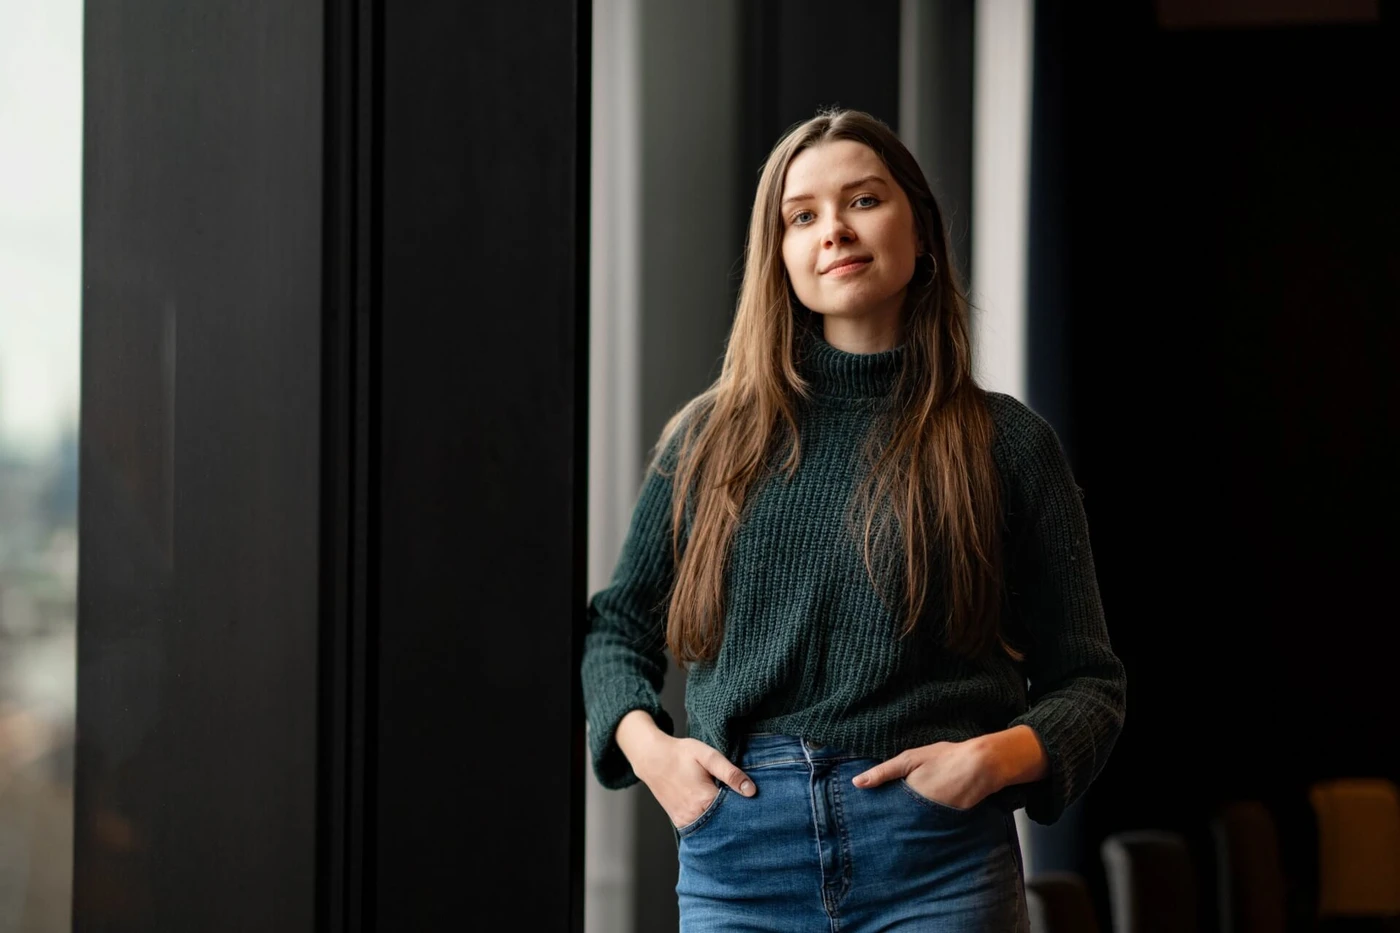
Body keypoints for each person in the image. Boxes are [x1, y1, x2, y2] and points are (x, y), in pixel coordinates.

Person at [580, 108, 1126, 932]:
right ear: (782, 257)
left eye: (863, 199)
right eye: (802, 215)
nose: (833, 229)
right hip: (741, 857)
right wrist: (653, 755)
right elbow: (616, 627)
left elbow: (1090, 682)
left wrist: (990, 758)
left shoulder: (1007, 444)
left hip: (936, 853)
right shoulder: (711, 438)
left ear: (921, 228)